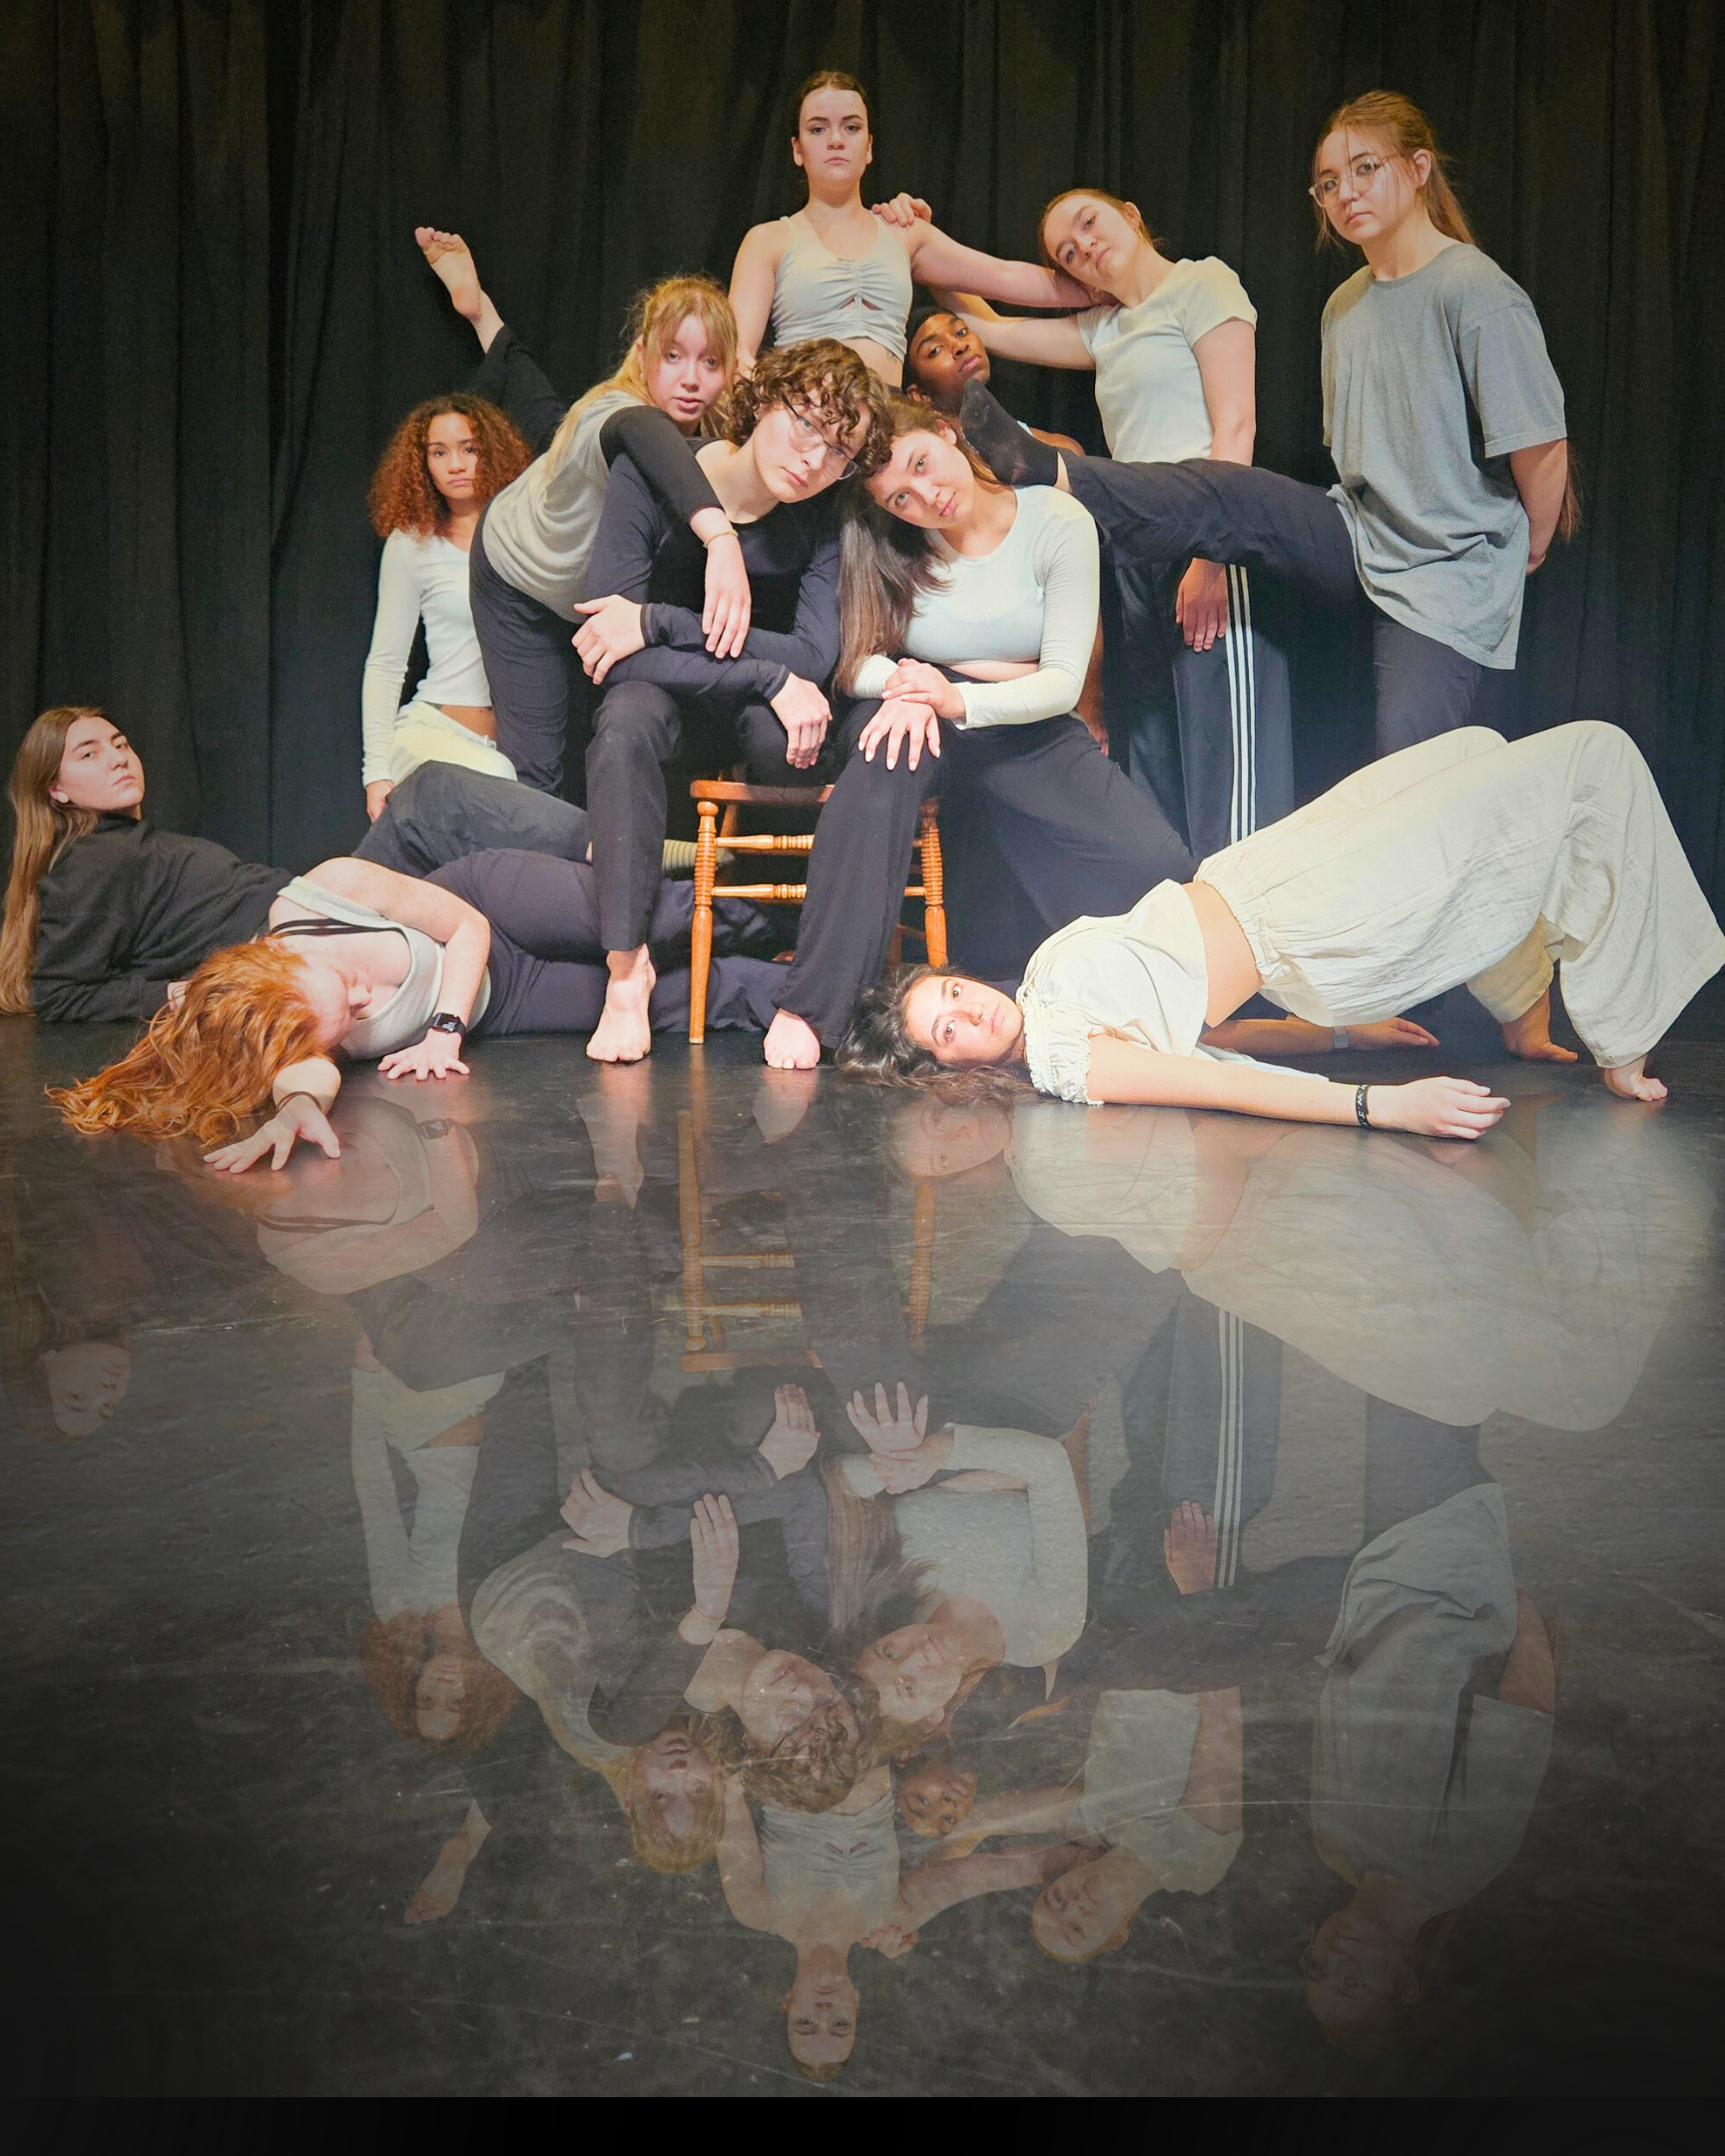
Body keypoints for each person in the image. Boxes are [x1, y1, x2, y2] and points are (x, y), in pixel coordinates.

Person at [955, 91, 1576, 757]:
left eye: (1366, 169)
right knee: (1227, 489)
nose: (1346, 194)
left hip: (1444, 568)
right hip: (1361, 535)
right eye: (1330, 183)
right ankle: (1048, 469)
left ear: (1420, 168)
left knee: (1409, 761)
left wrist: (1527, 546)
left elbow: (1539, 443)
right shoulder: (1345, 306)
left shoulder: (1472, 287)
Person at [837, 722, 1725, 1134]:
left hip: (1267, 870)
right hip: (1310, 917)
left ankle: (1520, 1009)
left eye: (949, 994)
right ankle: (1625, 1037)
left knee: (1477, 753)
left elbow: (1204, 1023)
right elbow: (1218, 1079)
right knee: (1592, 758)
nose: (966, 1014)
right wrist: (1383, 1106)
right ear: (949, 1069)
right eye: (945, 1033)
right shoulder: (1066, 1059)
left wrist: (1342, 1034)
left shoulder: (1038, 984)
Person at [761, 396, 1195, 1072]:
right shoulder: (889, 542)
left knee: (1157, 865)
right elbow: (854, 659)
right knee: (880, 760)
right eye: (900, 496)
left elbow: (1059, 681)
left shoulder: (1058, 523)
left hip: (1023, 720)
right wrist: (910, 681)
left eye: (923, 465)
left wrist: (954, 692)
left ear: (946, 432)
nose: (925, 497)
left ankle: (1099, 998)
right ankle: (811, 1007)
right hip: (918, 705)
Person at [935, 190, 1292, 856]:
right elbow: (996, 330)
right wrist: (924, 253)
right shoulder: (1107, 327)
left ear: (1132, 213)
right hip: (1137, 550)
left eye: (1088, 224)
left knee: (1225, 752)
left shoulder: (1201, 283)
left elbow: (1235, 426)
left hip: (1211, 538)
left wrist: (1212, 557)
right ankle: (1176, 926)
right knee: (1155, 747)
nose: (1084, 248)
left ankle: (1250, 934)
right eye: (1067, 253)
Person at [45, 850, 791, 1165]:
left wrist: (442, 1027)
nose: (367, 1000)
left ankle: (820, 912)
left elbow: (468, 926)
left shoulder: (322, 890)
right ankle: (822, 997)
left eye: (350, 988)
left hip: (487, 907)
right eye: (352, 1018)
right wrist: (294, 1111)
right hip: (507, 1001)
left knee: (660, 917)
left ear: (285, 958)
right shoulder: (294, 1030)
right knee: (680, 1002)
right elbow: (311, 1077)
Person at [569, 337, 888, 1061]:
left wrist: (656, 622)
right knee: (626, 720)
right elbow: (607, 652)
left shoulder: (823, 513)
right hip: (666, 695)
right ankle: (627, 973)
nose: (814, 457)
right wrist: (769, 675)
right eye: (805, 423)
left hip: (747, 705)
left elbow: (812, 655)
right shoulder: (651, 478)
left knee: (789, 743)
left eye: (839, 449)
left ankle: (782, 944)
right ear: (763, 400)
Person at [470, 273, 753, 795]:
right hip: (520, 581)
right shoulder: (614, 409)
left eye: (710, 362)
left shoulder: (716, 431)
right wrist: (721, 540)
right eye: (673, 357)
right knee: (538, 770)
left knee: (604, 746)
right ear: (642, 354)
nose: (691, 379)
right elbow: (642, 433)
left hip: (590, 598)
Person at [728, 71, 1090, 388]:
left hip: (889, 422)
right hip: (800, 419)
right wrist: (772, 416)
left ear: (869, 147)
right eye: (818, 128)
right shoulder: (767, 240)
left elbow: (1005, 275)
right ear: (797, 149)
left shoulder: (904, 231)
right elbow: (736, 354)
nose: (836, 140)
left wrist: (1102, 289)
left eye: (851, 127)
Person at [838, 1384, 1089, 1752]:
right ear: (933, 1717)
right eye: (909, 1687)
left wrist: (890, 1466)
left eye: (888, 1653)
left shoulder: (890, 1604)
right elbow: (1052, 1465)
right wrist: (937, 1453)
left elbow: (840, 1487)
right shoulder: (1046, 1630)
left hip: (917, 1418)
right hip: (1022, 1414)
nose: (915, 1656)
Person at [1, 706, 289, 1023]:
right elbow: (59, 993)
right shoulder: (90, 862)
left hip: (291, 923)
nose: (118, 759)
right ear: (57, 790)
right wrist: (186, 994)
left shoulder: (124, 843)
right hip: (278, 942)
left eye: (120, 744)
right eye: (88, 755)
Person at [360, 394, 533, 822]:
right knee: (500, 780)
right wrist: (376, 771)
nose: (455, 464)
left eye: (468, 448)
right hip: (432, 733)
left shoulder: (526, 537)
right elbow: (386, 664)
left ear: (491, 452)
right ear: (423, 465)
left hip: (514, 741)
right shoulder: (413, 543)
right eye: (439, 452)